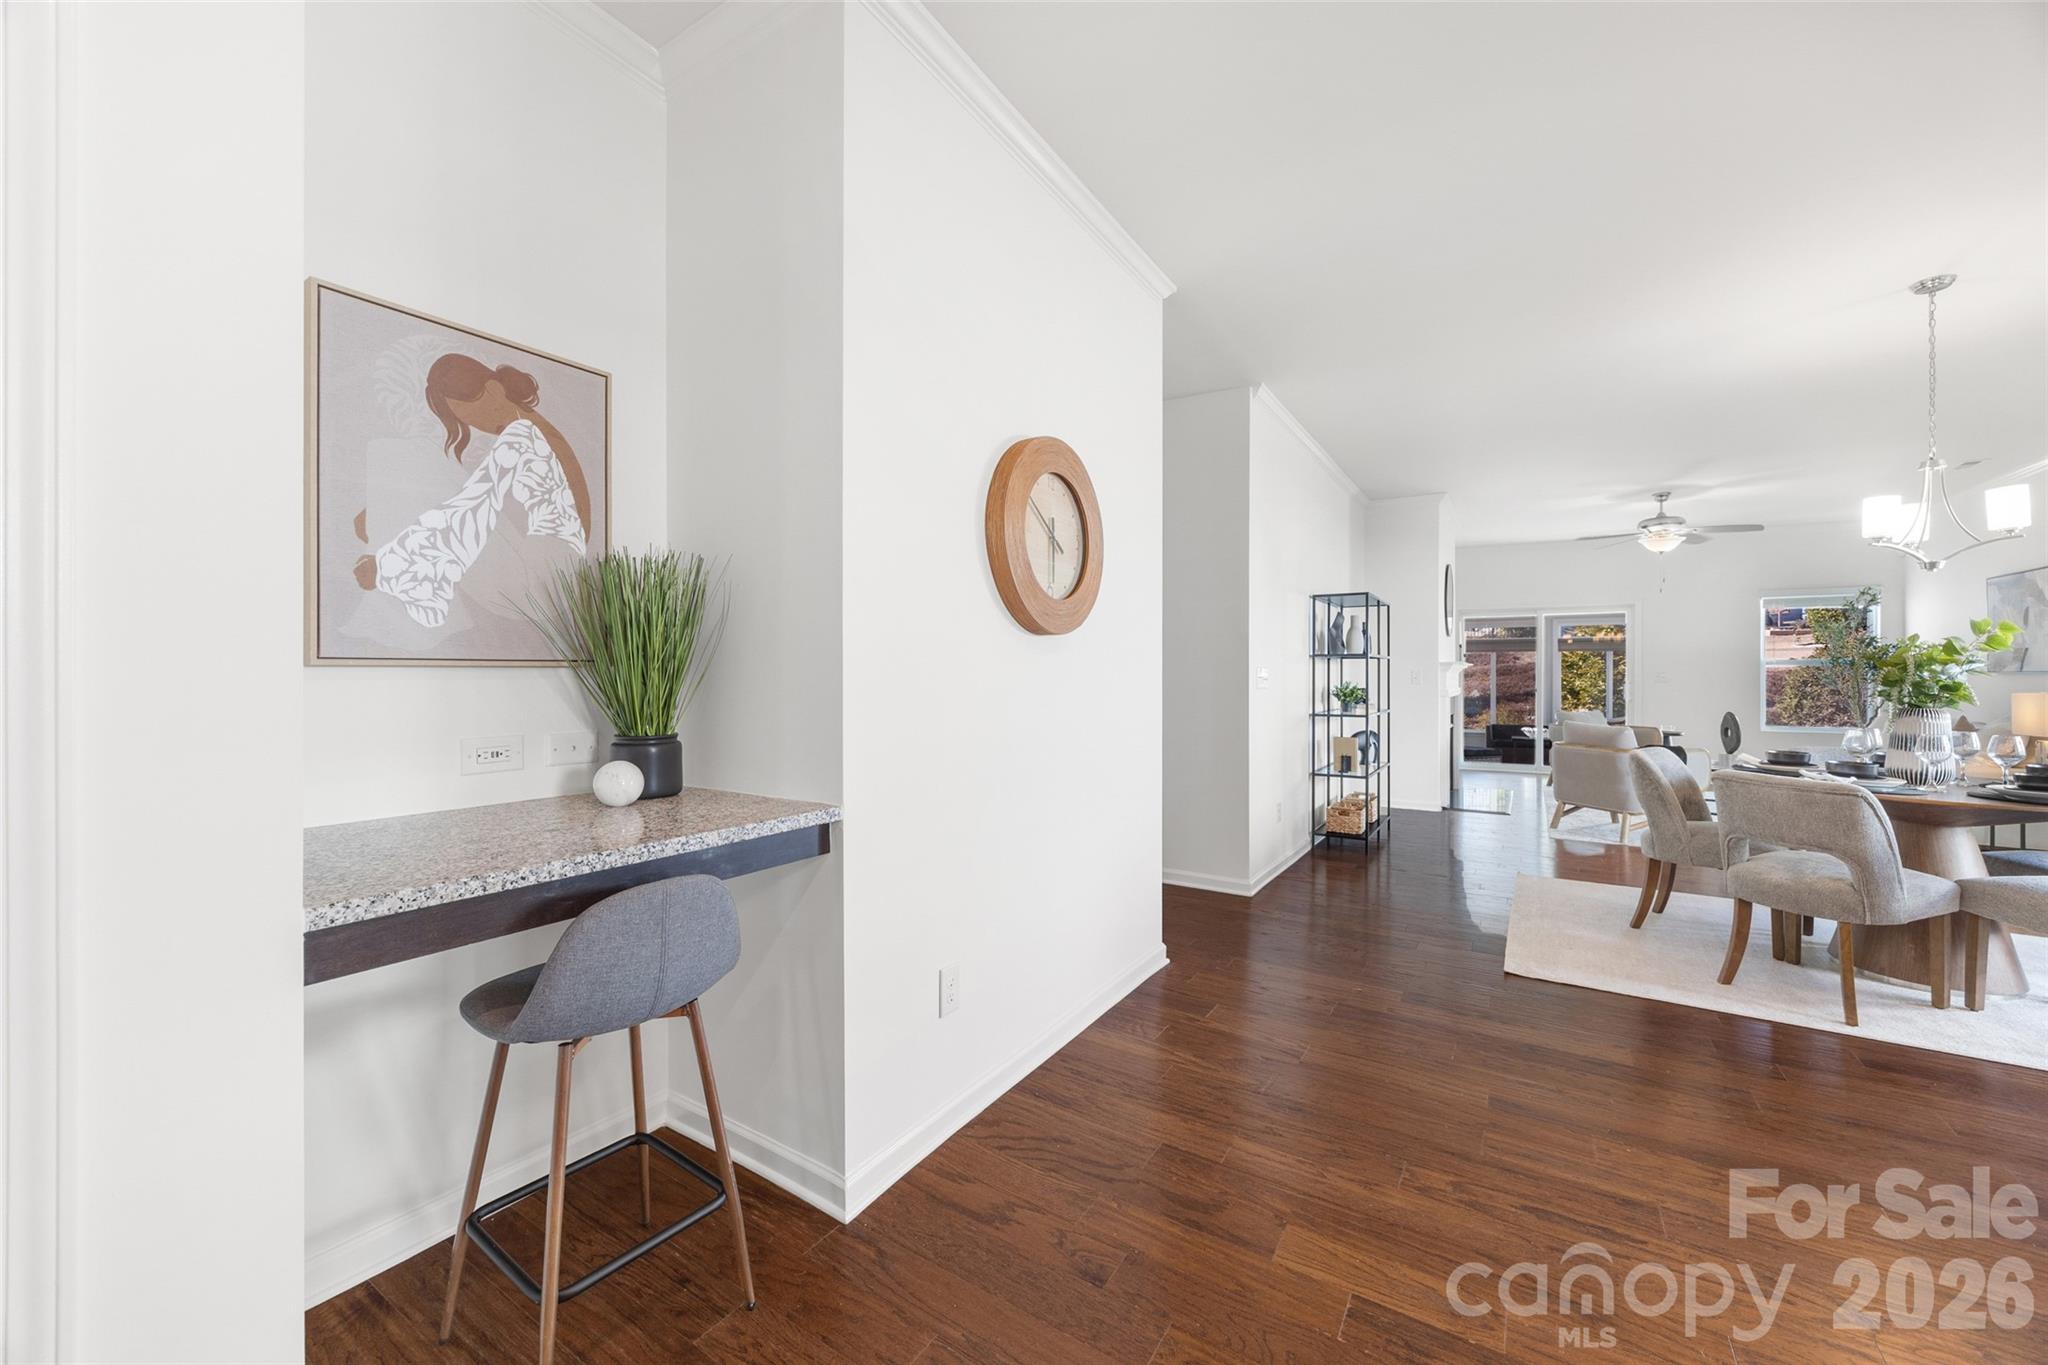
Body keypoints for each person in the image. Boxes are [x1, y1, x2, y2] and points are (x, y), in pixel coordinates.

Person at [356, 354, 592, 628]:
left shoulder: (521, 433)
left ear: (493, 390)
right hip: (554, 581)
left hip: (534, 581)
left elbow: (478, 502)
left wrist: (387, 567)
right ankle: (396, 545)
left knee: (398, 454)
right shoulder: (540, 432)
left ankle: (398, 562)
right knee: (424, 477)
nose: (475, 427)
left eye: (470, 415)